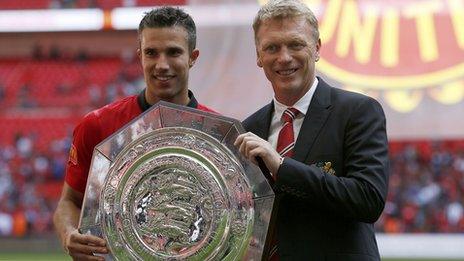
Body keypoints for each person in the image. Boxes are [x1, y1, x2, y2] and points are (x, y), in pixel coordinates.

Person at [53, 7, 215, 260]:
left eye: (173, 52)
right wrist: (69, 234)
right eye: (152, 53)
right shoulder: (97, 126)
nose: (162, 65)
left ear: (193, 57)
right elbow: (69, 201)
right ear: (140, 56)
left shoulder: (217, 135)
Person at [234, 0, 389, 260]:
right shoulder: (249, 129)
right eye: (272, 47)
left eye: (295, 44)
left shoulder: (358, 111)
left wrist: (281, 167)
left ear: (316, 48)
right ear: (259, 56)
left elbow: (368, 200)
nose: (284, 57)